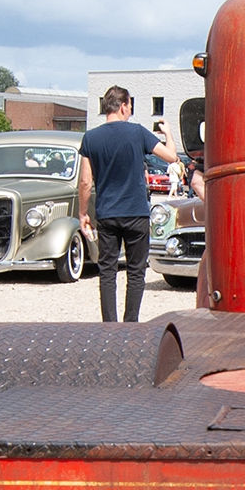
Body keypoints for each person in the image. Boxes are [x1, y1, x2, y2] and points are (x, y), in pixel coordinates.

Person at [79, 85, 178, 322]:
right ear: (123, 106)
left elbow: (85, 182)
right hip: (136, 213)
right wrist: (169, 134)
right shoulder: (137, 133)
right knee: (135, 272)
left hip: (107, 213)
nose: (130, 112)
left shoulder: (90, 138)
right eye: (130, 108)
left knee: (107, 271)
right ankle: (130, 322)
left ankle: (109, 325)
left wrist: (83, 213)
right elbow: (171, 157)